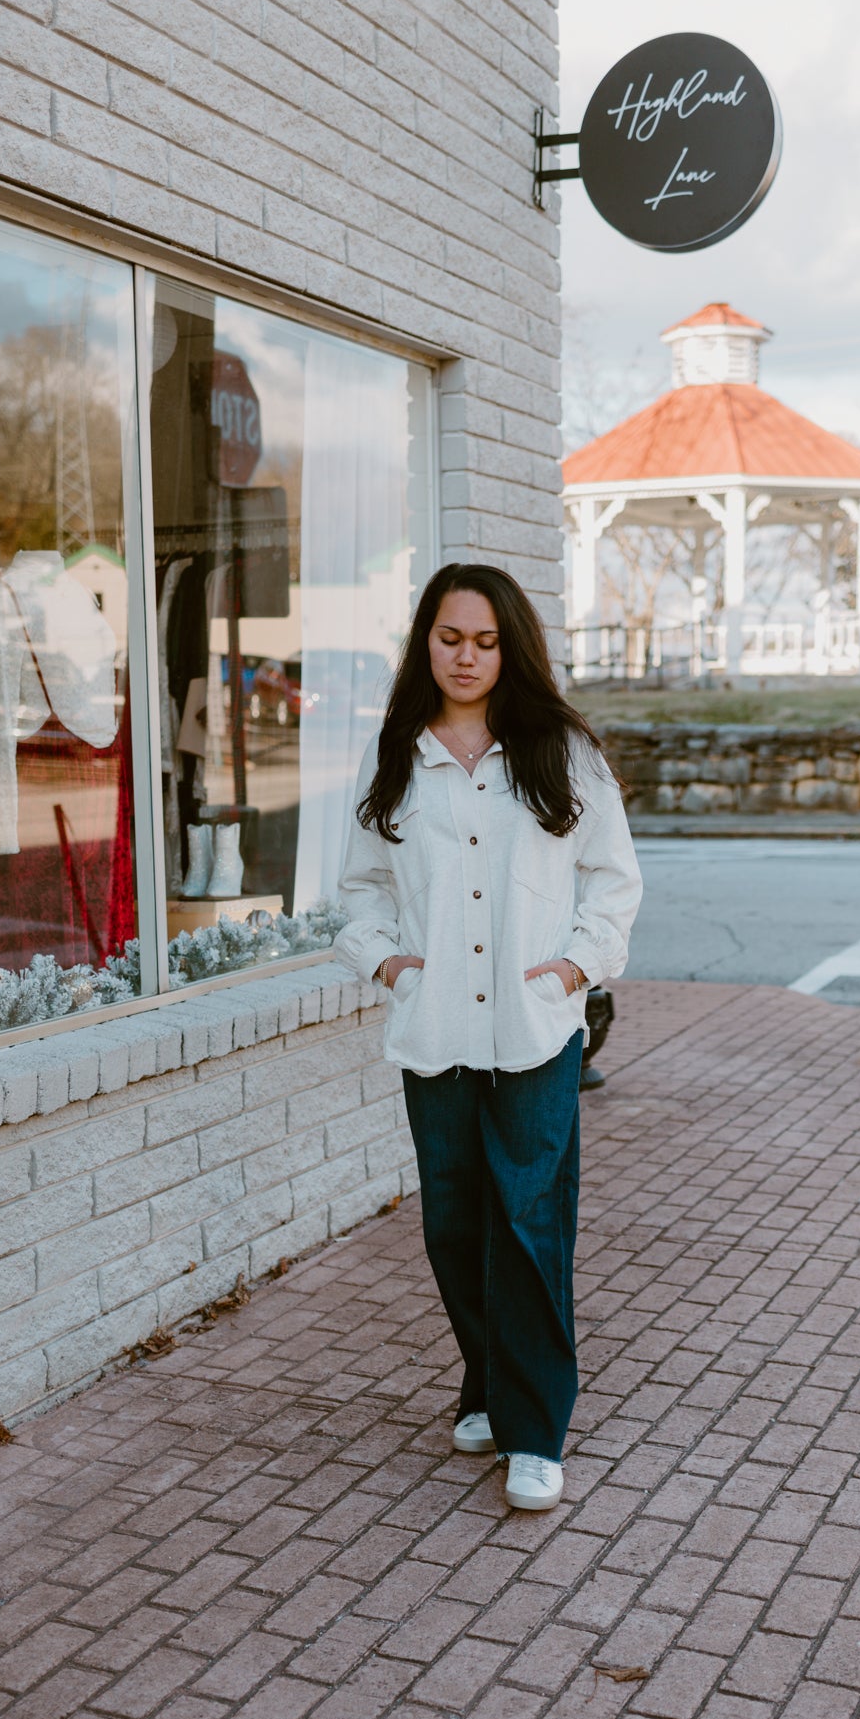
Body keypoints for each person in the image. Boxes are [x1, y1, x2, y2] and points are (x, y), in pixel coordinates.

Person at [333, 563, 642, 1511]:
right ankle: (484, 1382)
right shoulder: (395, 756)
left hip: (533, 1029)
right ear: (424, 642)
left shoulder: (560, 752)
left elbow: (613, 879)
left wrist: (574, 969)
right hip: (434, 1028)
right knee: (454, 1226)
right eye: (448, 637)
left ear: (511, 648)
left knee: (528, 1221)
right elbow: (358, 891)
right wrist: (388, 964)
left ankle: (535, 1426)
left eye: (485, 640)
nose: (465, 657)